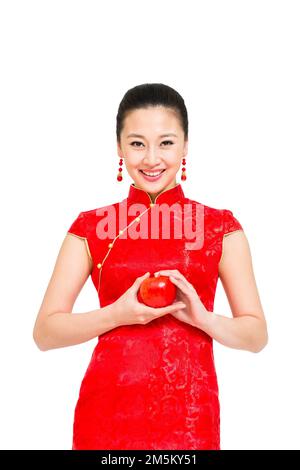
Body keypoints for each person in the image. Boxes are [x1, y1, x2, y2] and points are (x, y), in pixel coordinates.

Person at [32, 83, 268, 450]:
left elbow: (256, 336)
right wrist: (117, 314)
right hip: (106, 416)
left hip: (190, 421)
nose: (152, 158)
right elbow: (45, 333)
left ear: (186, 145)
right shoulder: (90, 228)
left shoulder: (221, 227)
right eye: (137, 143)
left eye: (167, 142)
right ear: (119, 147)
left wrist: (204, 319)